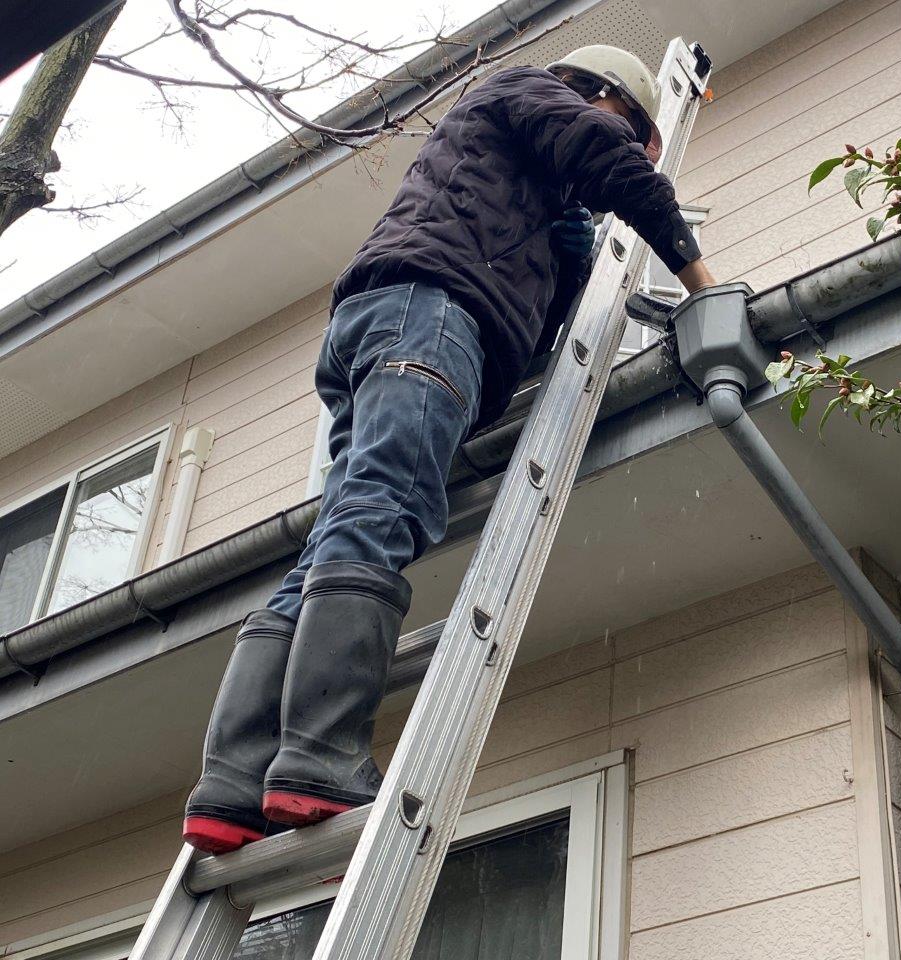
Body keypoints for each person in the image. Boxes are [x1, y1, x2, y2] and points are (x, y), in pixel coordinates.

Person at [181, 44, 717, 854]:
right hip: (428, 317)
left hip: (397, 323)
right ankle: (319, 757)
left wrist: (581, 261)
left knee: (341, 531)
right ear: (595, 92)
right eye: (634, 129)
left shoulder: (529, 191)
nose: (634, 150)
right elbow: (610, 161)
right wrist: (706, 286)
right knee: (381, 511)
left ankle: (232, 783)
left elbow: (548, 316)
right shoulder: (525, 90)